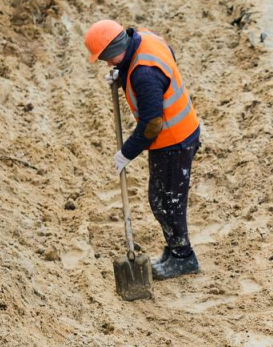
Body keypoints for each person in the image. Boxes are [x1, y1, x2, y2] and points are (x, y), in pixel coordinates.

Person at [84, 20, 201, 280]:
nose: (106, 63)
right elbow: (168, 57)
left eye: (108, 58)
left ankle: (183, 258)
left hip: (174, 142)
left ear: (118, 45)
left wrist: (126, 152)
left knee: (166, 202)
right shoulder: (145, 38)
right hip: (182, 131)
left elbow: (151, 125)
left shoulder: (144, 74)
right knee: (162, 197)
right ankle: (175, 250)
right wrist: (122, 73)